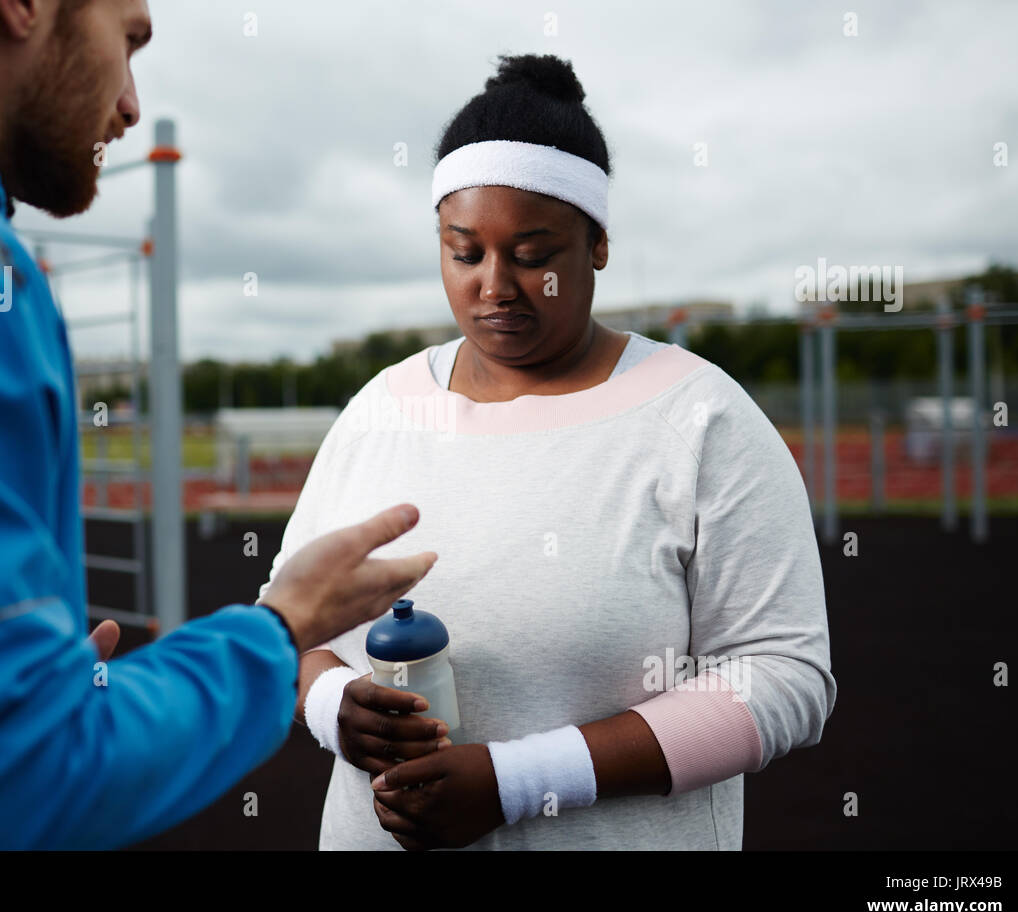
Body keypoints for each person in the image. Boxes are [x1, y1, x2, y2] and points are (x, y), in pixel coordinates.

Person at [0, 0, 436, 849]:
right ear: (24, 0)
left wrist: (15, 681)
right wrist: (281, 629)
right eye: (130, 40)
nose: (129, 105)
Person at [259, 54, 837, 850]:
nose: (494, 285)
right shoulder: (377, 411)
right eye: (464, 254)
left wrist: (522, 782)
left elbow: (783, 675)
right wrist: (334, 709)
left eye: (533, 257)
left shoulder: (700, 418)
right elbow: (289, 624)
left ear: (597, 245)